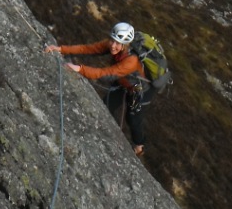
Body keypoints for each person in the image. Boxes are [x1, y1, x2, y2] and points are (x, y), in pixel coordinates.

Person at [45, 21, 154, 157]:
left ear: (125, 45)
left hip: (139, 89)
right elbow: (87, 49)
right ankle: (111, 138)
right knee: (107, 105)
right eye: (112, 41)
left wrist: (80, 69)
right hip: (123, 81)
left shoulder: (131, 61)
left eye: (117, 43)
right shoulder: (111, 45)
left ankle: (139, 146)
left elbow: (105, 74)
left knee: (133, 118)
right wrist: (60, 49)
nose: (113, 46)